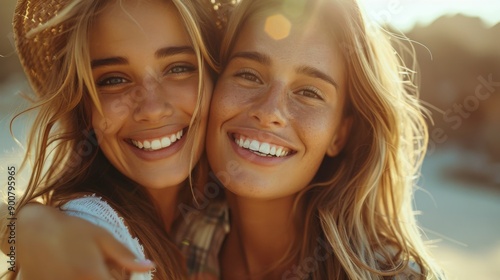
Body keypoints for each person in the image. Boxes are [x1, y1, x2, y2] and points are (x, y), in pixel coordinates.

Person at [3, 0, 446, 279]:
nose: (270, 111)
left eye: (309, 92)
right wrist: (30, 226)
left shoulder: (391, 275)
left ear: (341, 132)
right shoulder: (188, 231)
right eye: (249, 74)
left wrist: (22, 224)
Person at [2, 0, 219, 279]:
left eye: (178, 68)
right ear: (84, 107)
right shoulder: (88, 234)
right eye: (114, 80)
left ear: (216, 77)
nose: (152, 110)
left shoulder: (225, 210)